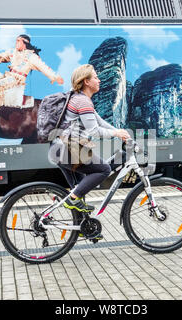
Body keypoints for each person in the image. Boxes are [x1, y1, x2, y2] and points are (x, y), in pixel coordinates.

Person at [48, 64, 130, 236]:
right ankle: (72, 200)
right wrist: (116, 133)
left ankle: (82, 228)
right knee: (104, 169)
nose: (99, 80)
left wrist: (119, 133)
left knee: (80, 188)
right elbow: (94, 131)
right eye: (95, 77)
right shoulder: (82, 101)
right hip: (68, 149)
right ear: (86, 81)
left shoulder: (79, 98)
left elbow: (99, 121)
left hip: (59, 148)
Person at [0, 34, 64, 120]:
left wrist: (56, 77)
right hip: (8, 76)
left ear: (24, 43)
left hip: (17, 80)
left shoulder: (32, 57)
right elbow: (3, 55)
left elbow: (44, 67)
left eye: (18, 41)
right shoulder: (13, 52)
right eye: (16, 41)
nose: (16, 43)